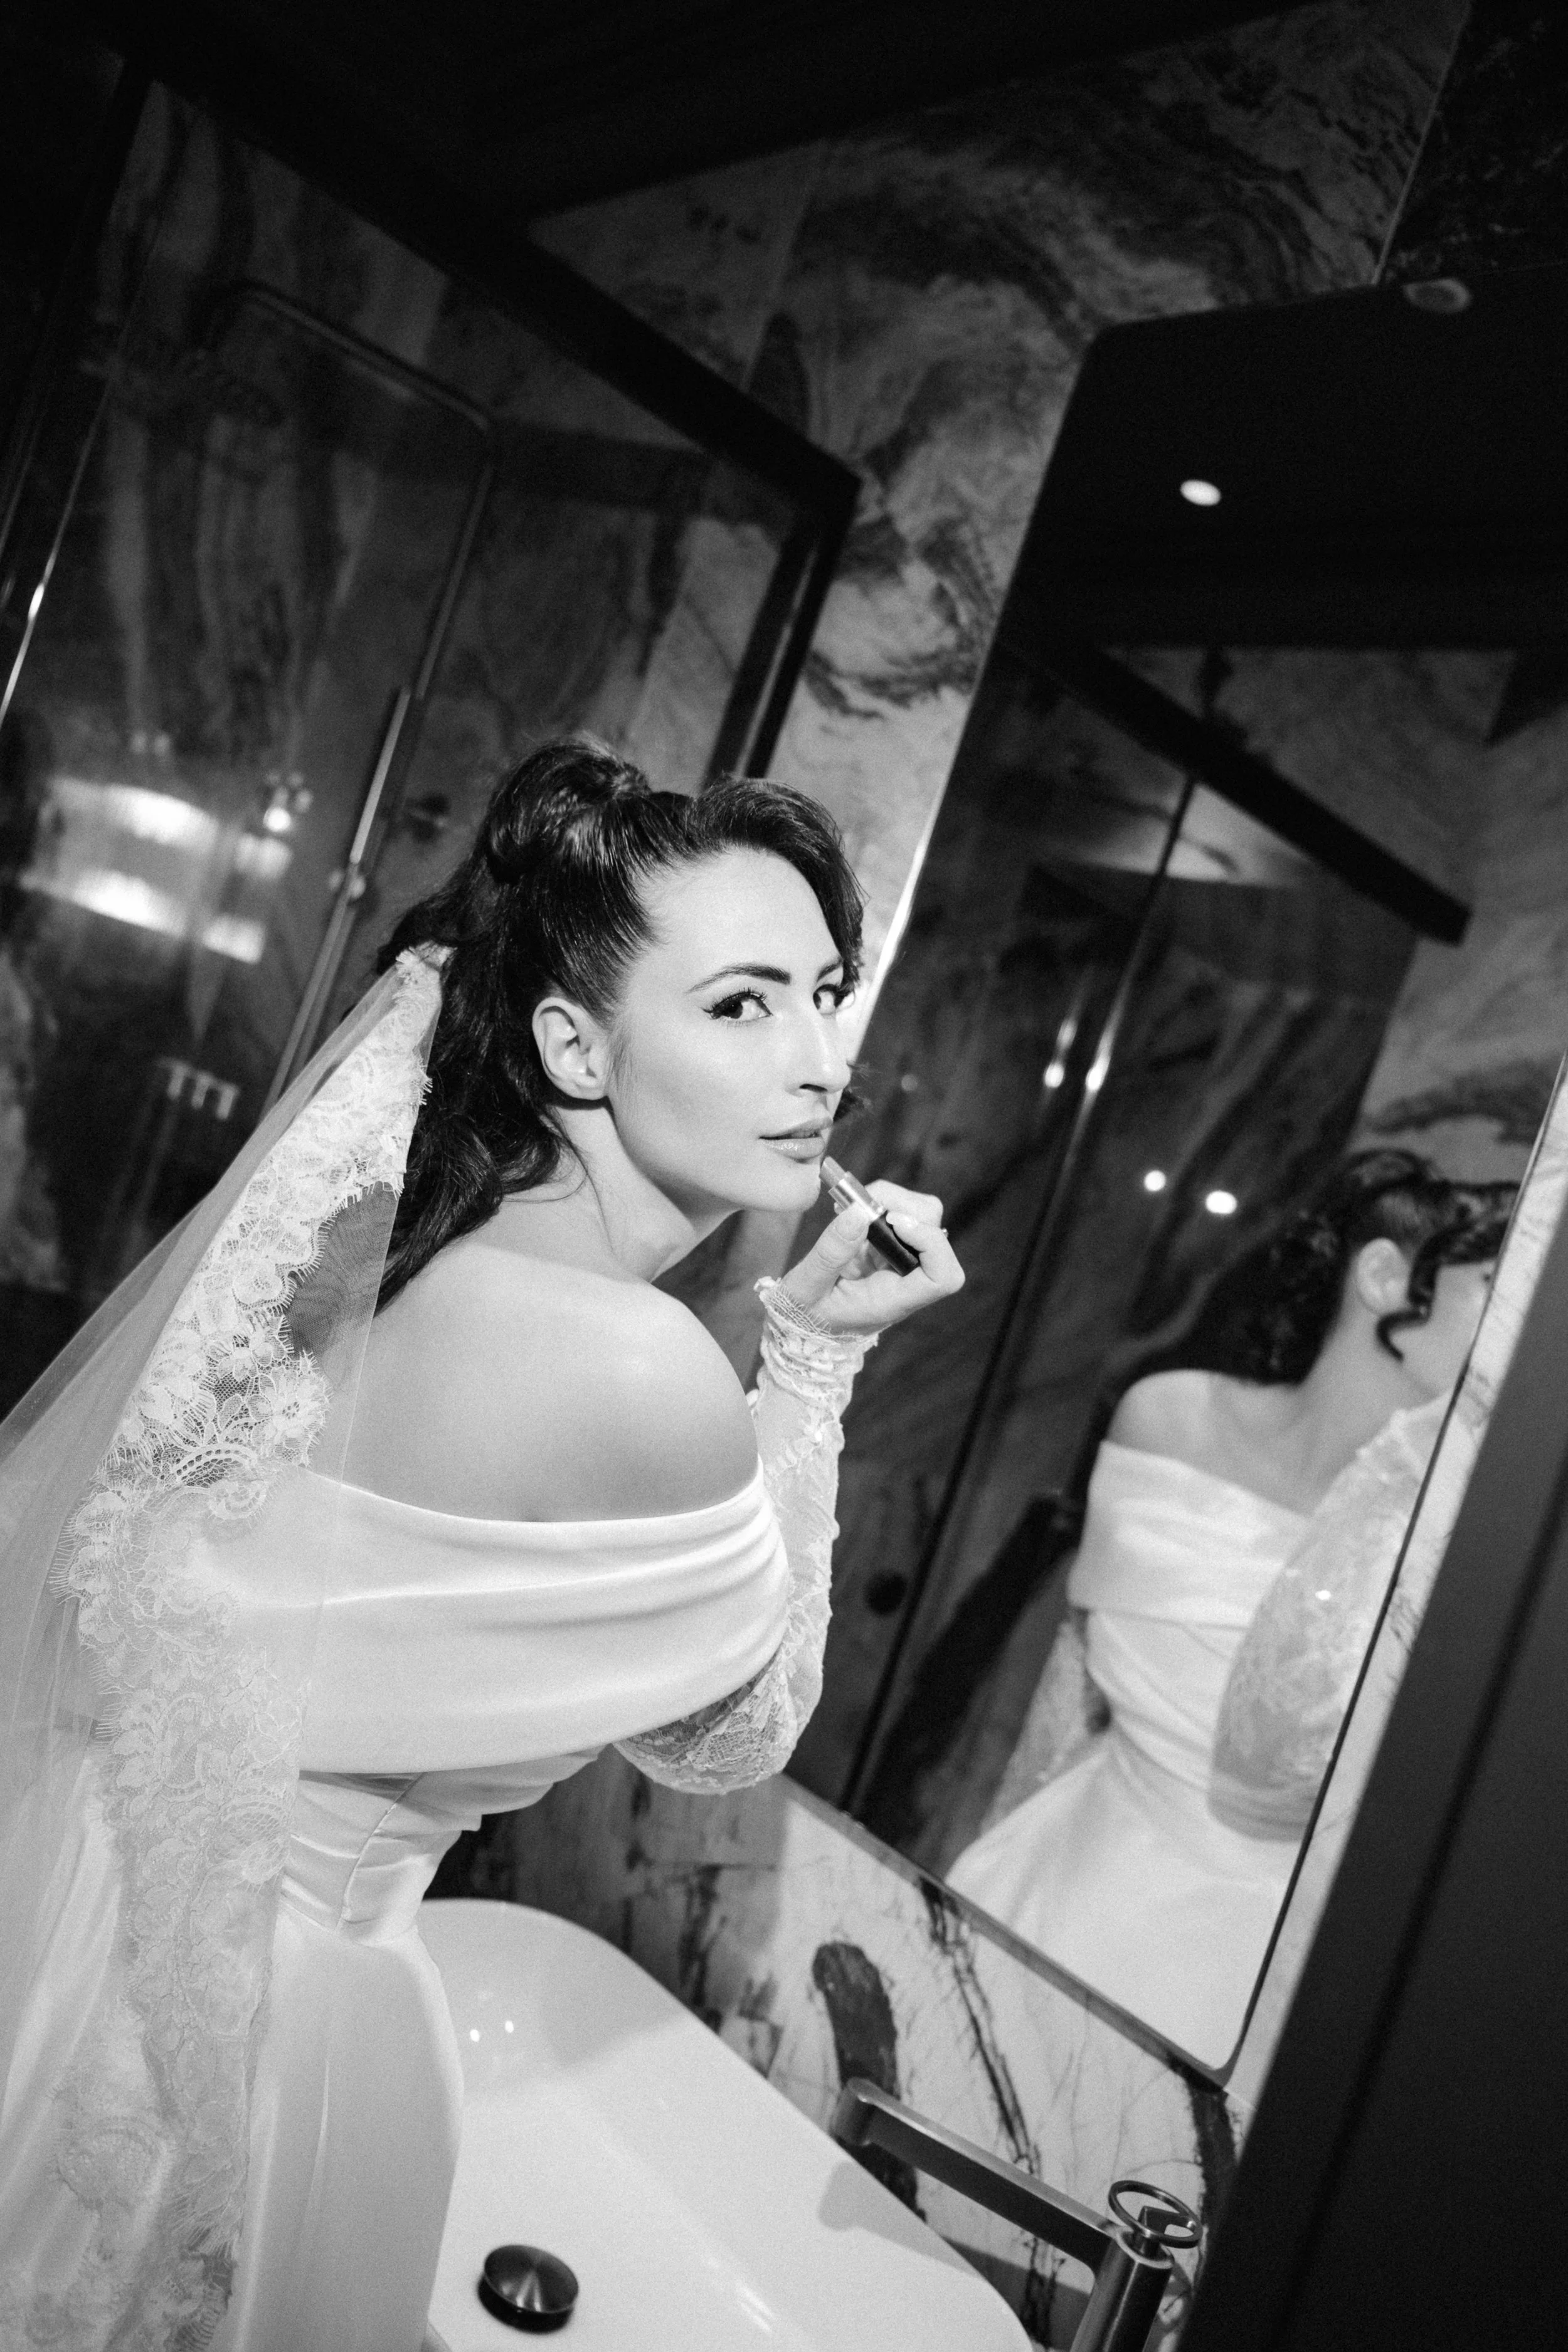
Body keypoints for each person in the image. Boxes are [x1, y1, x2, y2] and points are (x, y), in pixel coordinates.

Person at [0, 738, 963, 2351]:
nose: (819, 1062)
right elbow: (728, 1735)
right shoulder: (631, 1360)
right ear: (575, 1046)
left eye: (825, 991)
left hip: (87, 1932)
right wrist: (812, 1362)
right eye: (740, 1004)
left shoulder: (394, 1267)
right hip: (255, 2014)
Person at [947, 1151, 1513, 2062]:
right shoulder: (1165, 1418)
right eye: (1495, 1284)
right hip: (1058, 1881)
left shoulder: (1457, 1541)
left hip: (1242, 1968)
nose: (1521, 1323)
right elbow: (1070, 1676)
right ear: (1383, 1277)